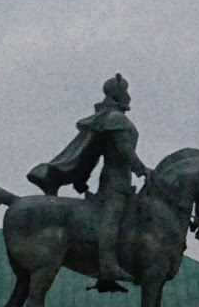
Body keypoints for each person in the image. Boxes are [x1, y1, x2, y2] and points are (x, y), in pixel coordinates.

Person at [27, 74, 150, 291]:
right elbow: (124, 150)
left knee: (122, 219)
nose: (128, 96)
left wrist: (81, 179)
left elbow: (92, 154)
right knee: (112, 218)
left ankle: (112, 268)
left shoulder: (109, 118)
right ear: (117, 94)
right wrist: (142, 170)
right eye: (125, 92)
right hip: (115, 182)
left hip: (118, 179)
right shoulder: (115, 120)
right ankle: (108, 265)